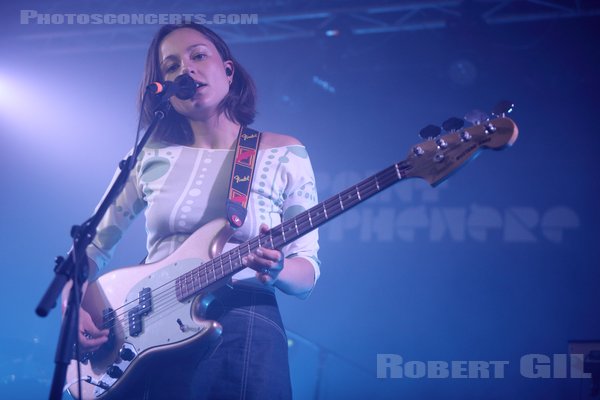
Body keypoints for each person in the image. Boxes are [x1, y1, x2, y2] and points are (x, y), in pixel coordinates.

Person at [70, 23, 320, 399]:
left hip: (242, 323)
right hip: (146, 331)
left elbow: (308, 272)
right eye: (170, 67)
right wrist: (72, 305)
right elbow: (90, 248)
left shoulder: (284, 151)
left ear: (228, 71)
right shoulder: (148, 156)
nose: (185, 70)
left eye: (198, 55)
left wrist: (280, 269)